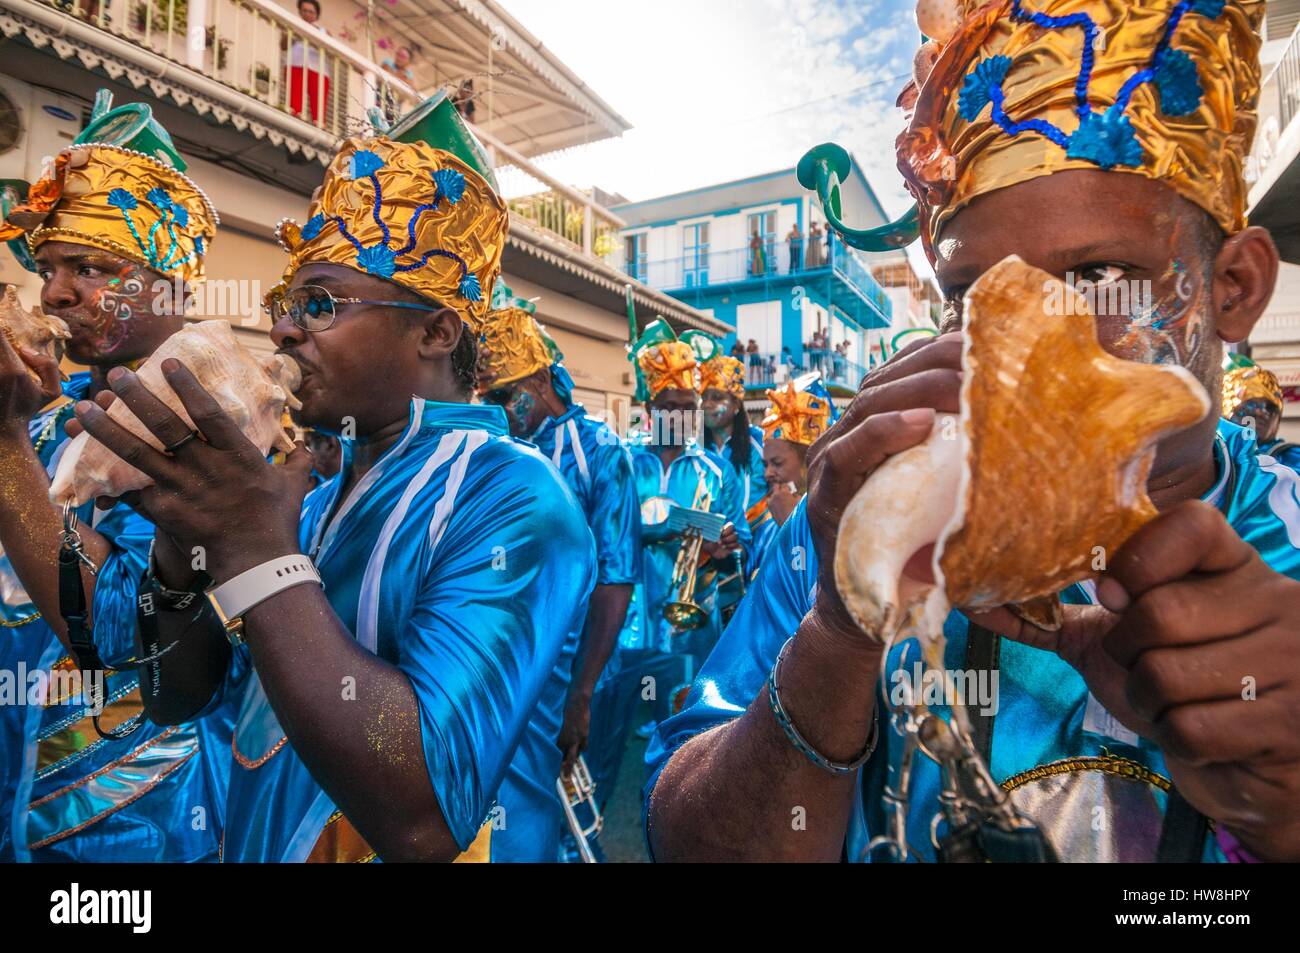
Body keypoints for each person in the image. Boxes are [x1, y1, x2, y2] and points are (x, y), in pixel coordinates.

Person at [646, 0, 1300, 863]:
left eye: (1099, 275)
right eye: (973, 293)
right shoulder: (848, 531)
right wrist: (840, 634)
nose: (1020, 346)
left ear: (1235, 288)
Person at [71, 100, 597, 863]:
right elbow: (176, 695)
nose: (284, 329)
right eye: (287, 306)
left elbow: (421, 818)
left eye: (319, 304)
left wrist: (254, 546)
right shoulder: (316, 500)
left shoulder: (517, 497)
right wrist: (185, 538)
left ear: (435, 330)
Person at [0, 103, 230, 862]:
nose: (56, 293)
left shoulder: (217, 433)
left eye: (92, 269)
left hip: (137, 826)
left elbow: (125, 636)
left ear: (171, 289)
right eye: (49, 269)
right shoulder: (45, 415)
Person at [476, 284, 641, 859]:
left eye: (504, 394)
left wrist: (583, 692)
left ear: (540, 383)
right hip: (517, 662)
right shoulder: (499, 448)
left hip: (576, 665)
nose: (495, 409)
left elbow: (616, 579)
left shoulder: (601, 449)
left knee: (570, 805)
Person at [597, 322, 751, 806]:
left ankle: (672, 820)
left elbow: (740, 534)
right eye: (673, 408)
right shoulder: (622, 461)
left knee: (683, 741)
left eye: (691, 407)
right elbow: (602, 535)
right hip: (626, 627)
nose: (685, 417)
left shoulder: (716, 469)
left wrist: (727, 541)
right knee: (606, 743)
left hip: (688, 630)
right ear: (650, 411)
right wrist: (657, 528)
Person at [750, 374, 837, 576]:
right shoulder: (765, 528)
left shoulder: (838, 521)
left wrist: (790, 524)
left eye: (777, 463)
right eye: (765, 464)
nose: (768, 473)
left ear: (811, 461)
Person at [1221, 354, 1288, 452]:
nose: (1260, 412)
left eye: (1270, 407)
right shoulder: (1209, 459)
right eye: (1249, 405)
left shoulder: (1292, 460)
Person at [287, 0, 330, 124]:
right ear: (300, 11)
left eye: (311, 12)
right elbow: (283, 45)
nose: (307, 14)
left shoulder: (323, 31)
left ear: (316, 15)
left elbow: (330, 50)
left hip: (319, 69)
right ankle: (293, 121)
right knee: (294, 103)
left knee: (319, 106)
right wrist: (292, 33)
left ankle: (319, 125)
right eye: (304, 11)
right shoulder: (294, 25)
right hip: (296, 64)